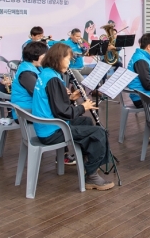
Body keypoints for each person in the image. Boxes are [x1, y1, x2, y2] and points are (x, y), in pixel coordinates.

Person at [32, 43, 113, 190]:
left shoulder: (46, 74)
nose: (70, 63)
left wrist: (70, 100)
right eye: (68, 59)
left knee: (87, 121)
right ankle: (92, 176)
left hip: (47, 125)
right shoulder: (53, 79)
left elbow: (54, 104)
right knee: (99, 133)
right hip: (52, 131)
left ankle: (86, 165)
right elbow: (62, 112)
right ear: (58, 58)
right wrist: (83, 107)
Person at [10, 41, 47, 118]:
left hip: (32, 108)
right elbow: (39, 94)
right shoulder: (27, 73)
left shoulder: (35, 67)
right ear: (36, 55)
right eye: (44, 55)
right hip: (25, 112)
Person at [127, 33, 150, 108]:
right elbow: (148, 85)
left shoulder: (141, 56)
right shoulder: (141, 60)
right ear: (149, 47)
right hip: (142, 98)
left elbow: (145, 76)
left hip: (143, 94)